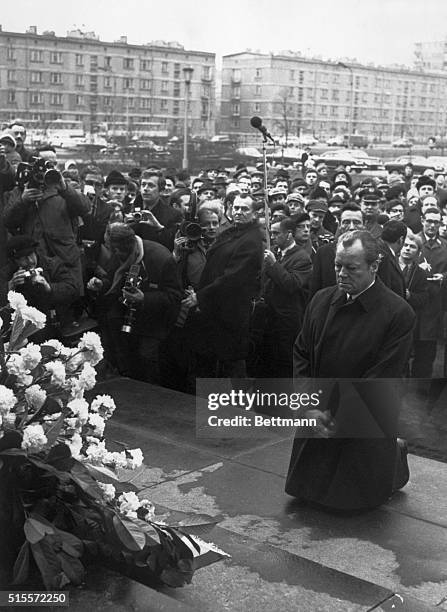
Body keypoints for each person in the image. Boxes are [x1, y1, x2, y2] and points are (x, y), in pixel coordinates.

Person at [286, 230, 415, 512]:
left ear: (374, 266)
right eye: (337, 266)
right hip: (317, 412)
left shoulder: (398, 313)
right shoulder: (321, 299)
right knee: (305, 495)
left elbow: (381, 377)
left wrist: (337, 415)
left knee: (349, 504)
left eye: (351, 268)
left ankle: (394, 455)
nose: (342, 274)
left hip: (361, 415)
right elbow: (301, 353)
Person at [87, 223, 182, 384]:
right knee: (122, 353)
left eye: (113, 248)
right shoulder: (118, 254)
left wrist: (144, 298)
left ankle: (153, 392)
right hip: (127, 315)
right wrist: (101, 284)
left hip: (156, 320)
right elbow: (112, 278)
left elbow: (174, 296)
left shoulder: (160, 258)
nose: (112, 252)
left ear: (124, 246)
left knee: (146, 357)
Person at [184, 194, 263, 377]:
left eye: (245, 209)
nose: (239, 212)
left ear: (253, 213)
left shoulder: (250, 240)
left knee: (232, 362)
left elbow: (232, 278)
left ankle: (239, 404)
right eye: (236, 208)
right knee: (215, 362)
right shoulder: (233, 232)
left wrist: (200, 296)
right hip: (217, 309)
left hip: (231, 312)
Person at [3, 150, 90, 295]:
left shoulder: (62, 189)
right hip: (33, 260)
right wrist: (23, 201)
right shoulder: (19, 191)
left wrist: (64, 188)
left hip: (65, 259)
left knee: (68, 302)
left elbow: (85, 208)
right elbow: (8, 221)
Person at [261, 217, 312, 377]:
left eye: (276, 233)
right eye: (271, 233)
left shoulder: (302, 258)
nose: (273, 237)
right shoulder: (274, 253)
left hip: (287, 323)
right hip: (270, 320)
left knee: (285, 365)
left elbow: (291, 285)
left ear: (289, 235)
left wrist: (274, 264)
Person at [1, 235, 78, 339]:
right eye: (23, 258)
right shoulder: (7, 273)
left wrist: (48, 286)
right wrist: (9, 286)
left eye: (31, 255)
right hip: (24, 331)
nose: (30, 261)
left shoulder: (52, 264)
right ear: (15, 261)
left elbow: (72, 289)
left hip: (55, 325)